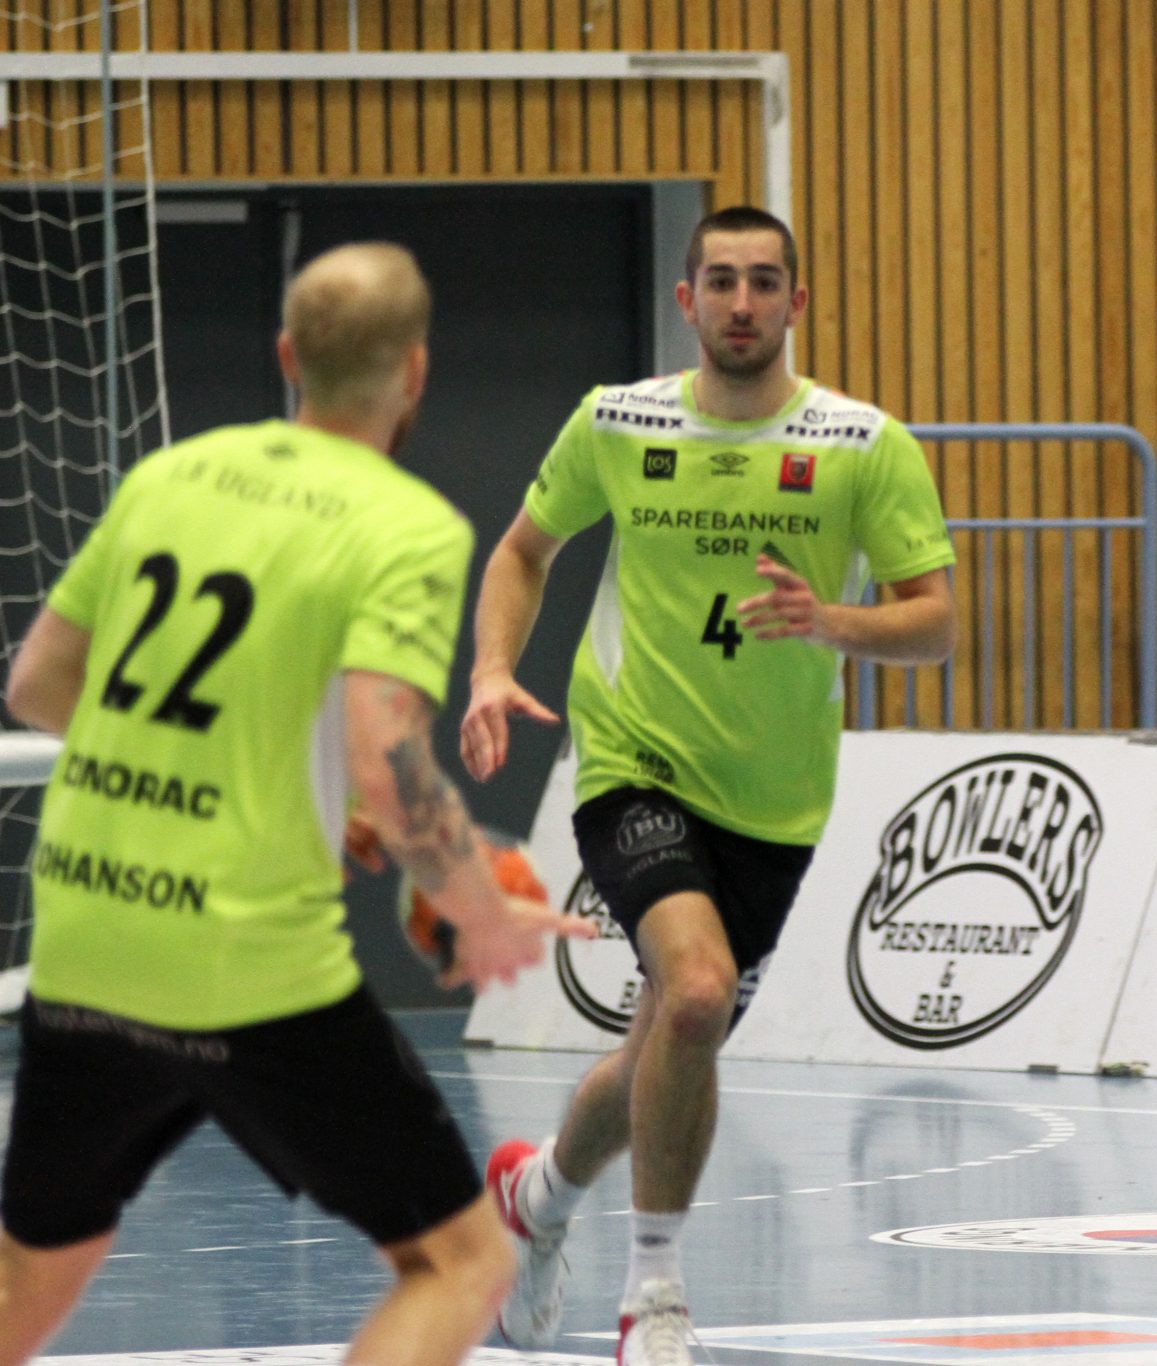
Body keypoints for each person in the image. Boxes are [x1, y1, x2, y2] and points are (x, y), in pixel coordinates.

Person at [0, 242, 592, 1366]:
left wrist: (250, 782)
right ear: (414, 372)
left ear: (286, 357)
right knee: (462, 1263)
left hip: (86, 932)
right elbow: (386, 758)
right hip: (248, 961)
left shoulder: (170, 479)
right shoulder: (405, 524)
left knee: (24, 1284)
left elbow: (37, 683)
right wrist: (479, 910)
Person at [459, 205, 957, 1365]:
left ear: (796, 301)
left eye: (763, 281)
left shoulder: (861, 443)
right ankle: (655, 1293)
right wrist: (489, 668)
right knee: (692, 992)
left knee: (662, 1046)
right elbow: (524, 549)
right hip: (631, 762)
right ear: (685, 299)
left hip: (775, 803)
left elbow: (934, 624)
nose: (742, 302)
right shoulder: (618, 420)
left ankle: (535, 1197)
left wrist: (829, 619)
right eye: (720, 280)